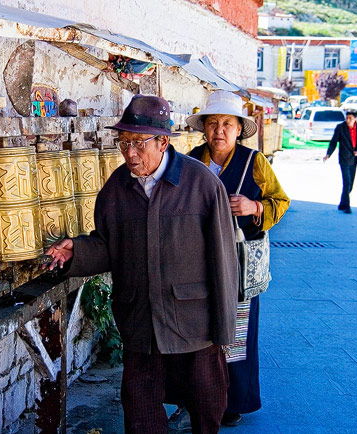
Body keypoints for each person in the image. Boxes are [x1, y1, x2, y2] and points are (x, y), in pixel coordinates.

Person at [44, 95, 239, 434]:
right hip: (141, 323)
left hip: (195, 325)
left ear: (163, 142)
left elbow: (224, 262)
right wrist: (75, 251)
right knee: (141, 415)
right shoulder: (116, 189)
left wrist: (224, 333)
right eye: (123, 143)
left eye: (138, 143)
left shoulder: (202, 185)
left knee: (207, 409)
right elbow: (107, 245)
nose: (129, 153)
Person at [185, 90, 290, 426]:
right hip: (196, 262)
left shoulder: (254, 162)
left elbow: (281, 201)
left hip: (239, 266)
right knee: (198, 330)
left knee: (237, 334)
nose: (219, 130)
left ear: (237, 129)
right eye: (213, 123)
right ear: (204, 128)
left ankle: (232, 403)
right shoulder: (189, 161)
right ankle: (198, 397)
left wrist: (255, 207)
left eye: (226, 124)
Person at [323, 110, 357, 214]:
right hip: (344, 158)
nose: (347, 120)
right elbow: (334, 141)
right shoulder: (340, 127)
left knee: (351, 184)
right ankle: (347, 206)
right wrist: (328, 154)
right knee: (347, 182)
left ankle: (342, 203)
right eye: (347, 118)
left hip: (355, 159)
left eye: (350, 118)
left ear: (355, 119)